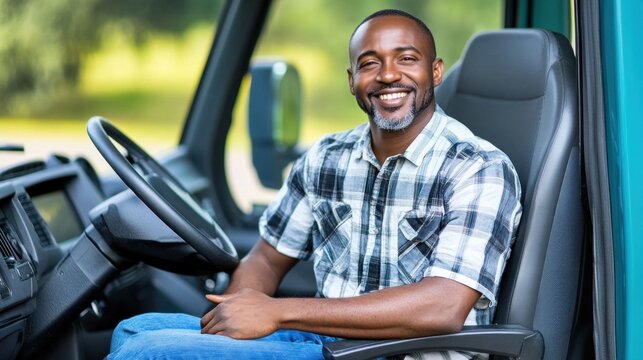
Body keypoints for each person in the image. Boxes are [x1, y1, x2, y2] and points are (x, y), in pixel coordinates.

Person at [108, 9, 522, 360]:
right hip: (325, 341)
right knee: (134, 332)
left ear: (435, 72)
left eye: (406, 59)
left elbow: (443, 306)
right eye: (369, 63)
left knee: (148, 352)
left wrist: (277, 313)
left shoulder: (478, 167)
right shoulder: (327, 157)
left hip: (403, 352)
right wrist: (234, 318)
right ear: (352, 79)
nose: (388, 75)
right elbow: (267, 259)